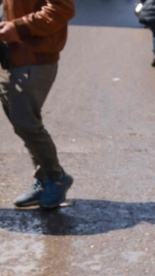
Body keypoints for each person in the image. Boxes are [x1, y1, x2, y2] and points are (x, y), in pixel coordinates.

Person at [0, 0, 74, 210]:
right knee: (22, 123)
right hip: (8, 57)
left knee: (26, 122)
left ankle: (55, 178)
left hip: (33, 58)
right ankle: (45, 179)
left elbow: (62, 9)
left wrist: (20, 27)